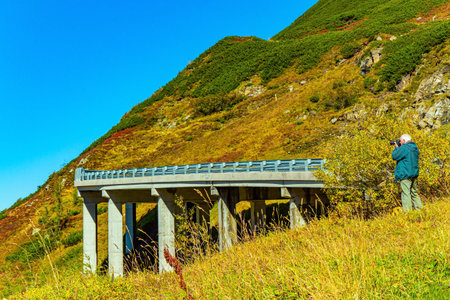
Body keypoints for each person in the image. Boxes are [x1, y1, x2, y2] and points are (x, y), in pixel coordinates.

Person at [392, 134, 423, 212]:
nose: (400, 143)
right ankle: (419, 210)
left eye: (401, 141)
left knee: (406, 193)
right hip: (414, 173)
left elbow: (394, 156)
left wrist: (396, 148)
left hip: (405, 174)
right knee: (414, 193)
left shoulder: (404, 147)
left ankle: (407, 213)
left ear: (404, 140)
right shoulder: (415, 148)